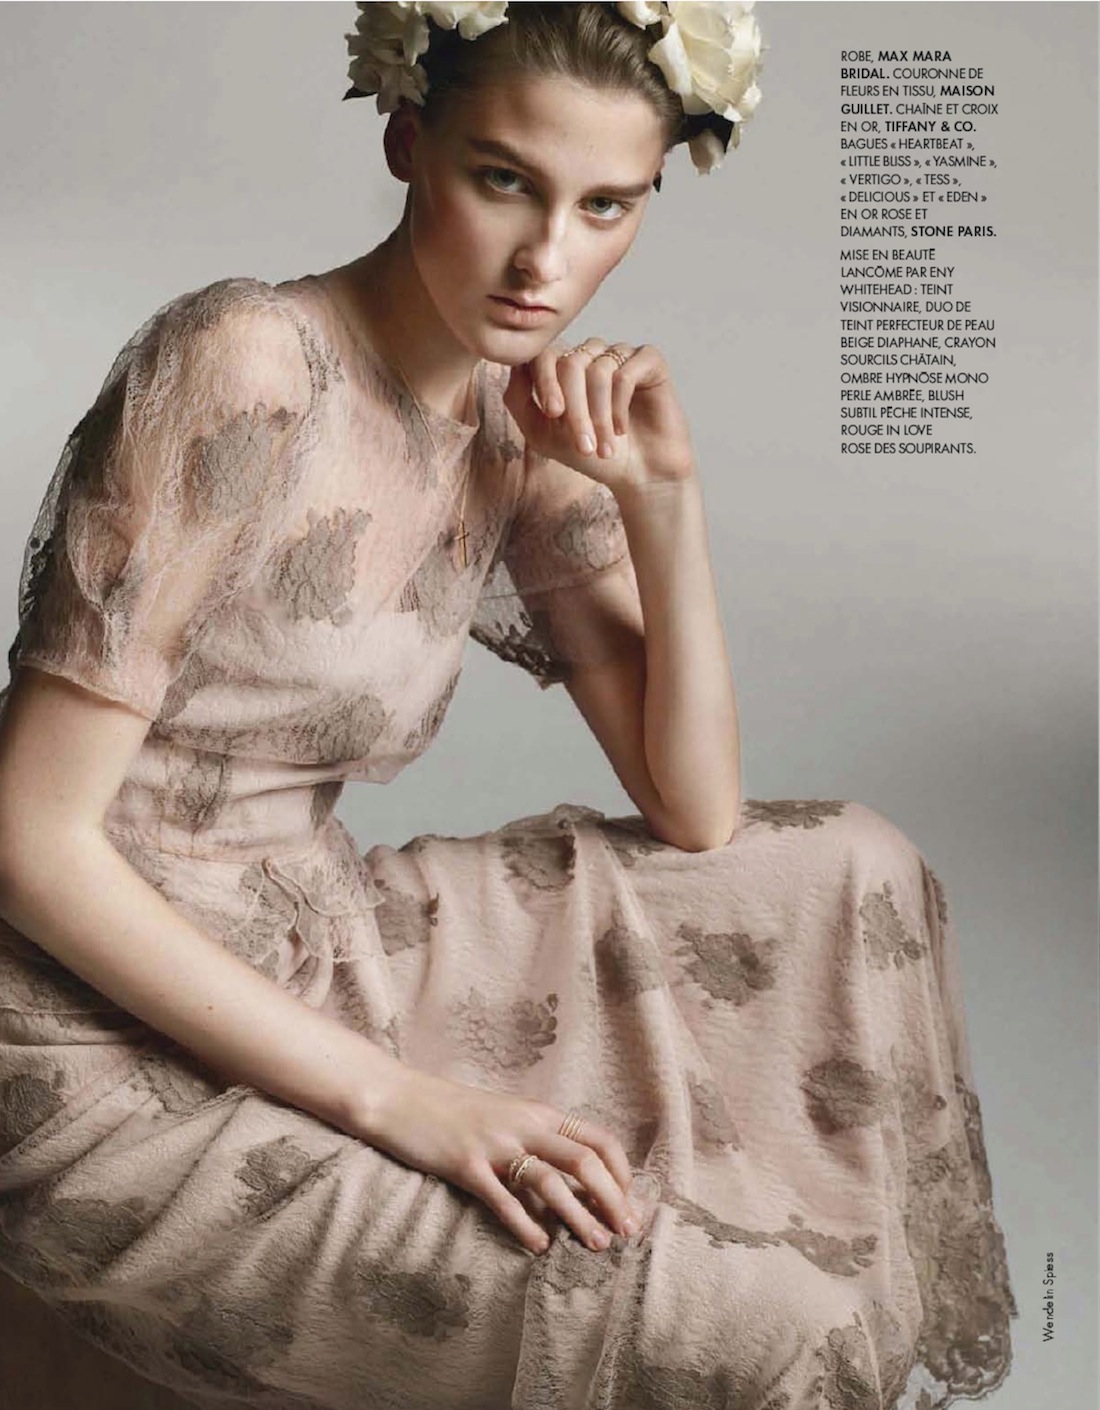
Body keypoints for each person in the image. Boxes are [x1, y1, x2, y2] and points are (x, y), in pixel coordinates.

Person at [0, 4, 1017, 1408]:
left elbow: (694, 807)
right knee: (742, 1320)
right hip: (86, 1026)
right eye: (504, 181)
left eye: (607, 206)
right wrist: (402, 1101)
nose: (548, 260)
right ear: (407, 140)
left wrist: (665, 502)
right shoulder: (248, 363)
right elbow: (28, 841)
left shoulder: (510, 421)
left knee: (855, 867)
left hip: (319, 936)